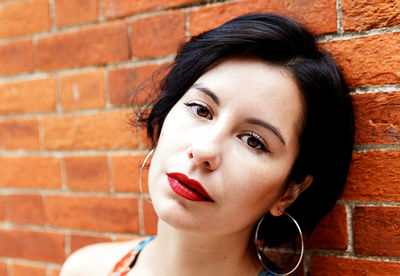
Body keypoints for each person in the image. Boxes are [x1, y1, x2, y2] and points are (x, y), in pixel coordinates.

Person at [60, 13, 354, 276]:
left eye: (253, 141)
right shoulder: (86, 269)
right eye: (201, 110)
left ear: (289, 192)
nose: (203, 150)